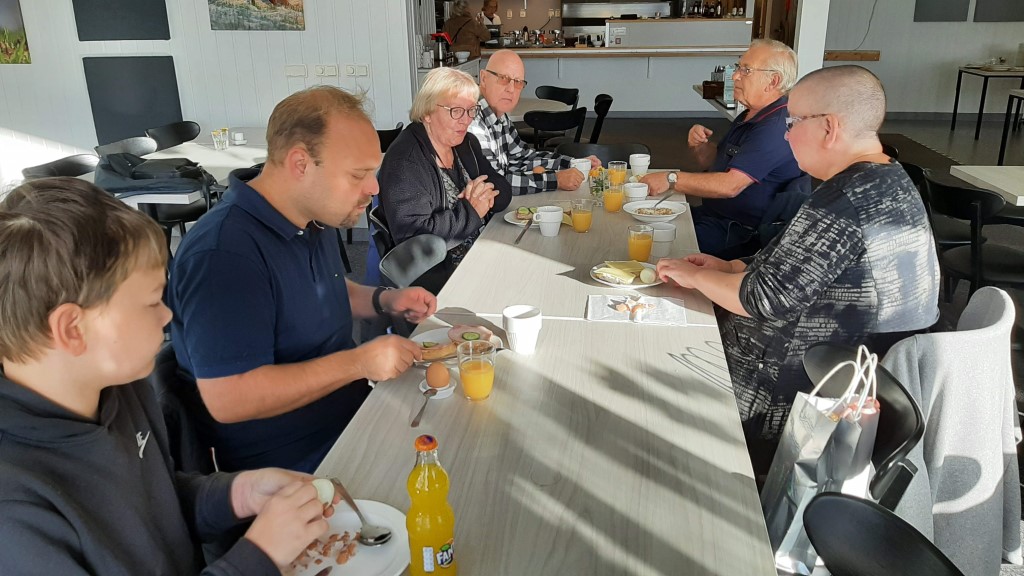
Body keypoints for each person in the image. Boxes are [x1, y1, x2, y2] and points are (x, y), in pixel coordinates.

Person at [0, 178, 339, 574]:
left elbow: (153, 506)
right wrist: (258, 556)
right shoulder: (17, 510)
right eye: (151, 302)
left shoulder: (120, 388)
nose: (167, 316)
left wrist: (238, 493)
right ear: (73, 329)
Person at [655, 65, 940, 474]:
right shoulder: (887, 179)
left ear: (829, 127)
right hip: (847, 374)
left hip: (791, 395)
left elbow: (762, 300)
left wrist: (695, 276)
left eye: (792, 123)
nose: (786, 136)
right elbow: (807, 267)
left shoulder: (843, 202)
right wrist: (731, 264)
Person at [168, 86, 437, 474]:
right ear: (300, 163)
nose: (374, 188)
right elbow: (229, 397)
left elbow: (320, 292)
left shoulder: (311, 214)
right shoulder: (224, 254)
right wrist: (358, 362)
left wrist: (384, 300)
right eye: (358, 175)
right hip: (293, 467)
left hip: (351, 414)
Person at [641, 39, 805, 259]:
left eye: (746, 70)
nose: (735, 76)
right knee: (641, 224)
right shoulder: (751, 114)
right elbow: (714, 163)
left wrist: (671, 179)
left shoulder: (775, 127)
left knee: (649, 245)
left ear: (773, 81)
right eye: (738, 67)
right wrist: (700, 146)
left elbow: (730, 186)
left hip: (739, 232)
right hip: (713, 215)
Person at [378, 67, 512, 293]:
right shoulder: (406, 163)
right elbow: (415, 240)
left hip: (480, 252)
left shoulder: (466, 143)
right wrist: (472, 210)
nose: (466, 120)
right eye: (456, 111)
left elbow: (503, 192)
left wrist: (483, 198)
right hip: (440, 278)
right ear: (427, 113)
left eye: (471, 110)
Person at [468, 49, 600, 196]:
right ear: (484, 78)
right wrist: (555, 180)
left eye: (518, 82)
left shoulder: (500, 117)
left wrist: (574, 163)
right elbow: (496, 182)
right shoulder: (472, 121)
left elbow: (523, 158)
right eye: (503, 78)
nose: (511, 89)